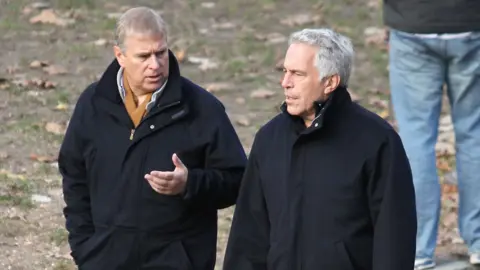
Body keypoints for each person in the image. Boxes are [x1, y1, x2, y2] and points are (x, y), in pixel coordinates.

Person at [58, 6, 247, 270]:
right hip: (104, 260)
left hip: (177, 261)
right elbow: (74, 175)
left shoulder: (202, 109)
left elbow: (238, 180)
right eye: (144, 56)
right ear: (120, 56)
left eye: (161, 53)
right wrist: (85, 246)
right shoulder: (92, 105)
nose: (155, 65)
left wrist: (190, 183)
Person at [222, 28, 417, 270]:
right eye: (284, 71)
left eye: (297, 74)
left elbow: (394, 238)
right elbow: (249, 234)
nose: (285, 83)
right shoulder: (269, 139)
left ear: (330, 82)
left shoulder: (377, 141)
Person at [383, 0, 480, 268]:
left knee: (415, 139)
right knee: (475, 134)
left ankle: (417, 248)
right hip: (472, 21)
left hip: (413, 22)